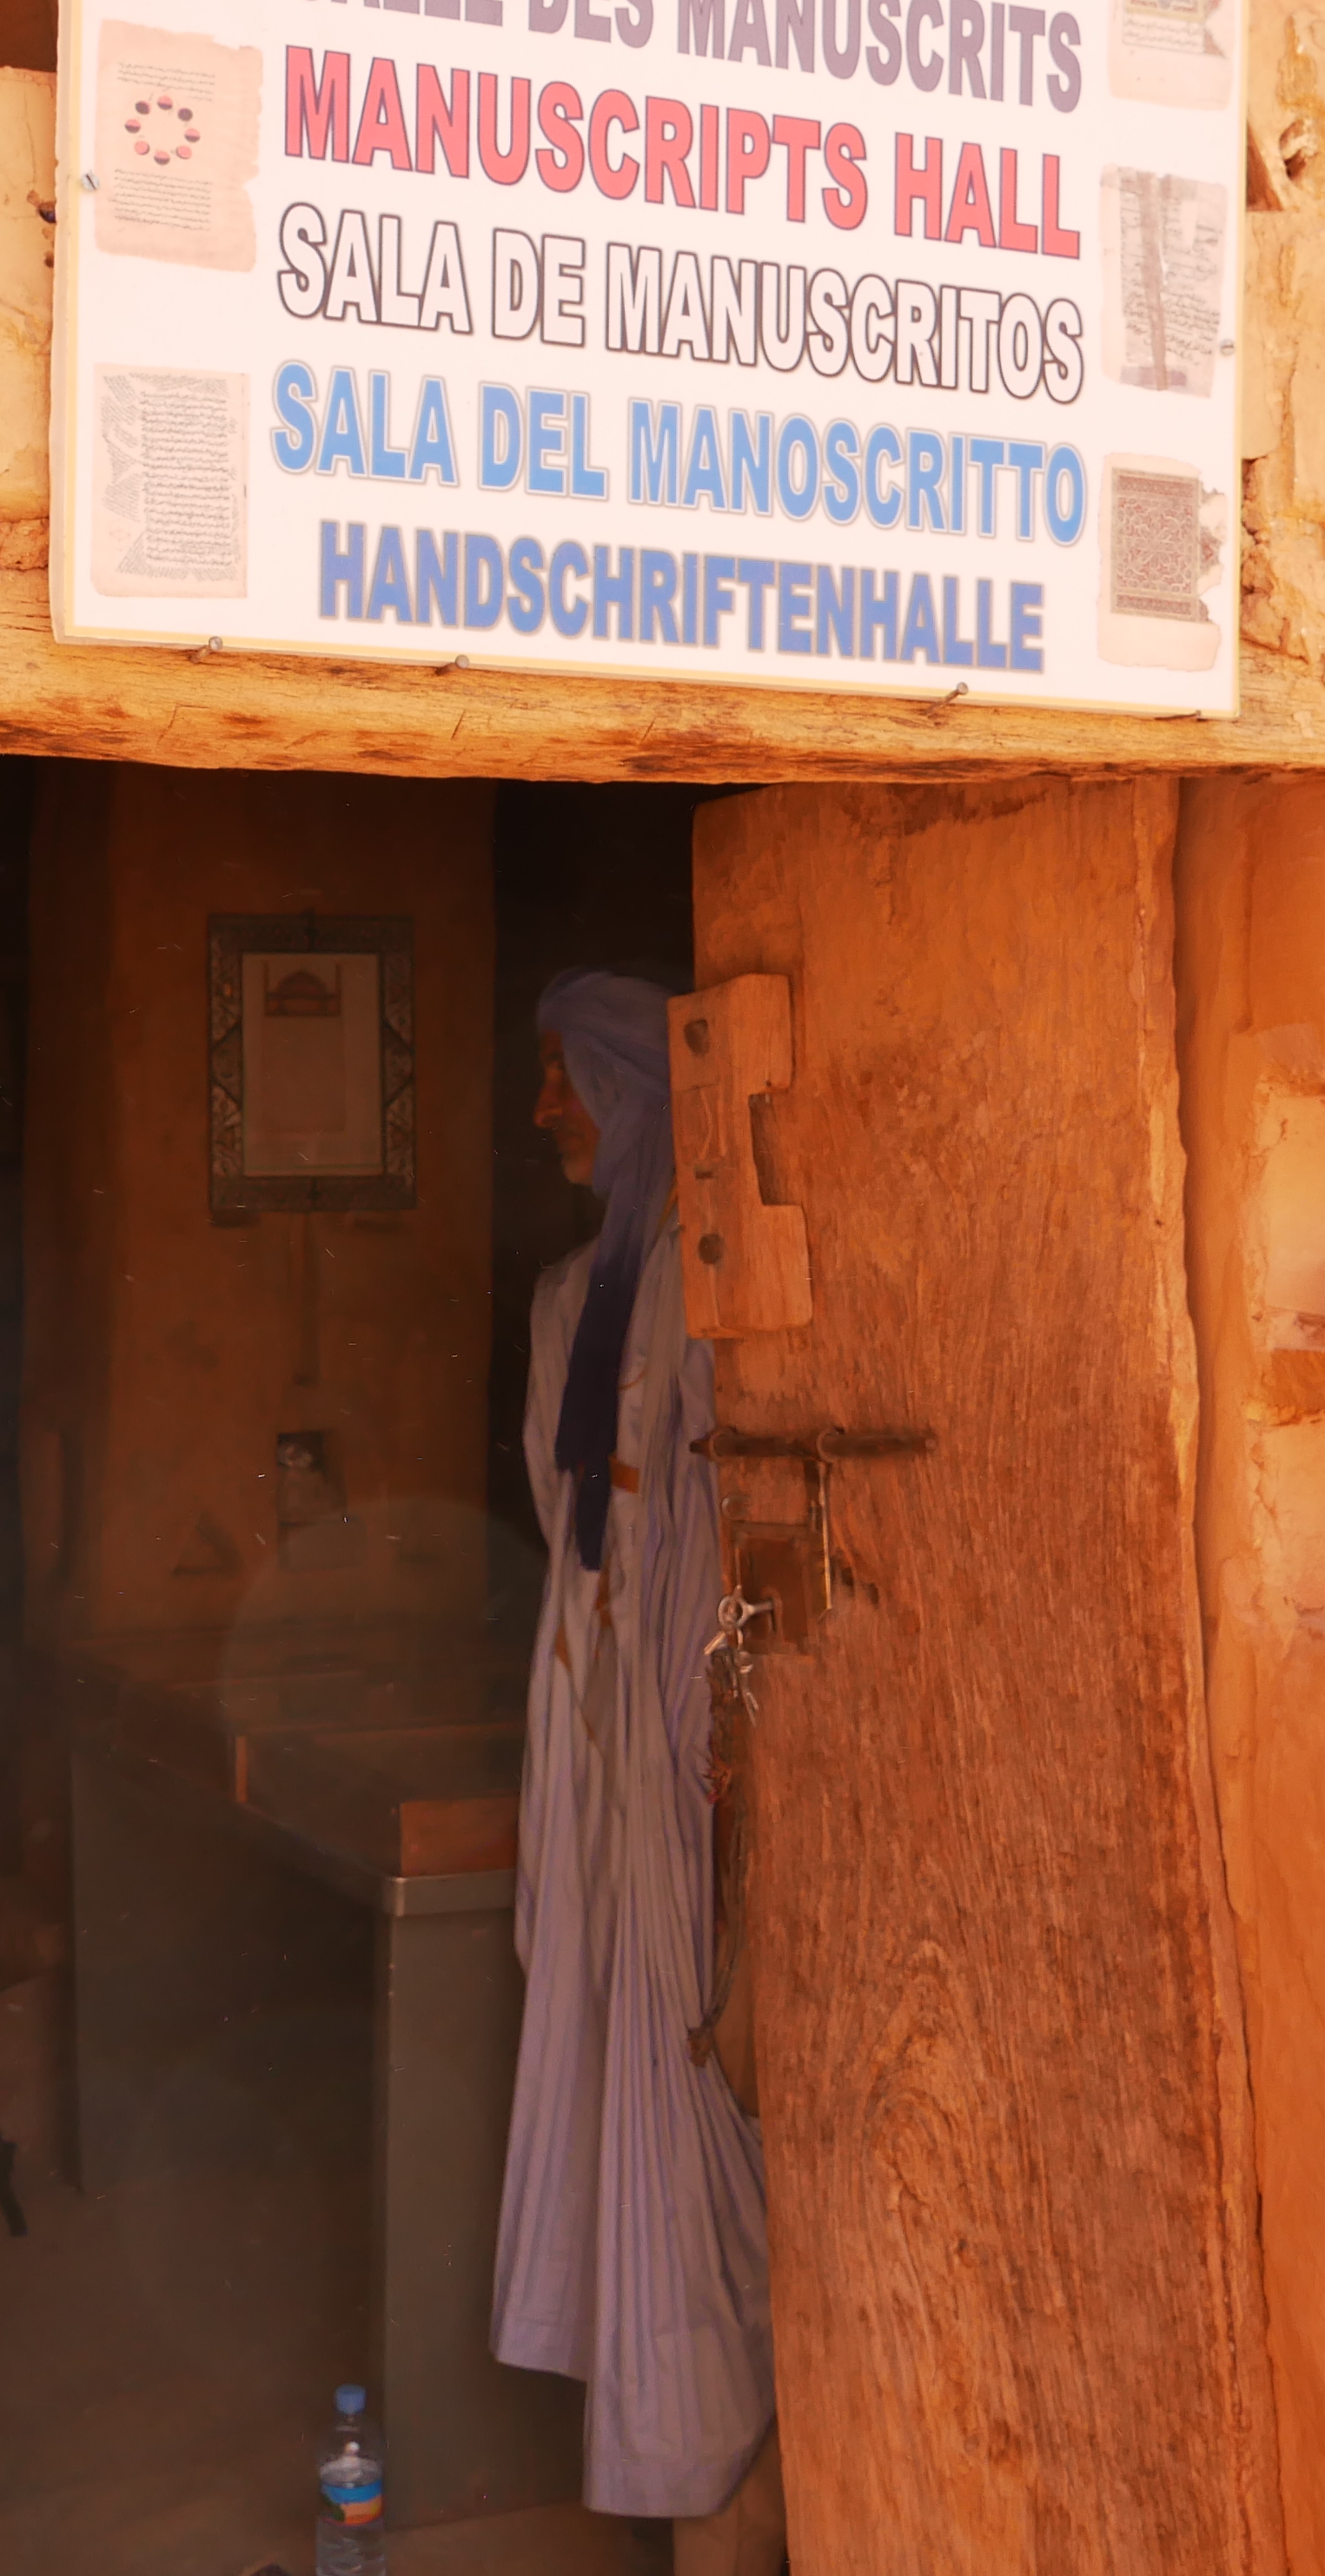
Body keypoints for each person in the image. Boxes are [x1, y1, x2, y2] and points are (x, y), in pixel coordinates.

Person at [491, 969, 777, 2532]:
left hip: (682, 1738)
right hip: (600, 1727)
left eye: (570, 1077)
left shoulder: (707, 1283)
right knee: (616, 2051)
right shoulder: (573, 1300)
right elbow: (572, 1524)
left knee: (688, 2066)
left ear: (638, 1087)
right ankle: (667, 2450)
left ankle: (714, 2458)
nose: (546, 1109)